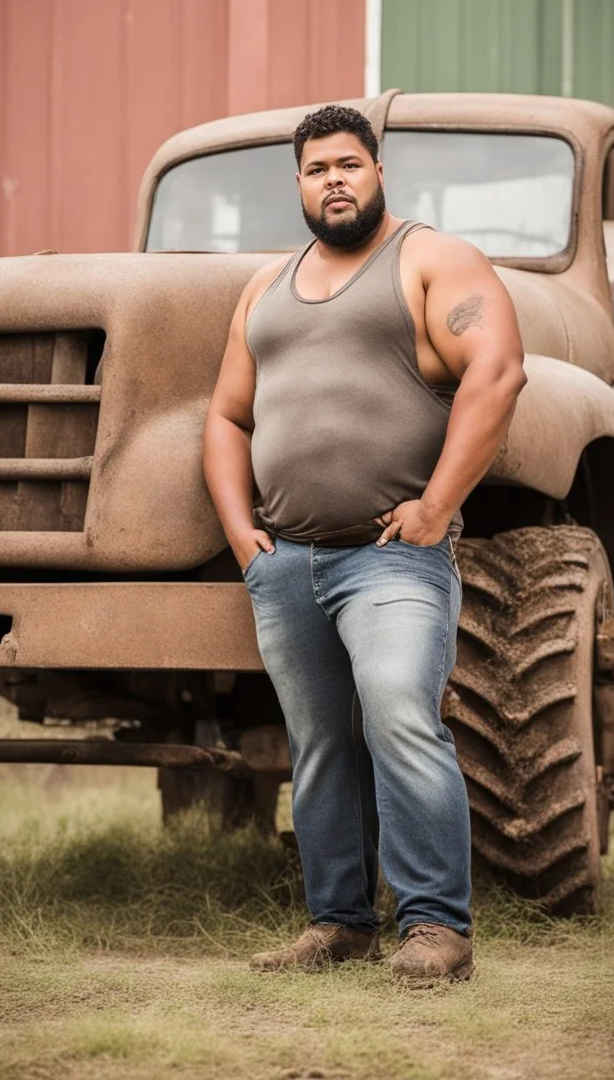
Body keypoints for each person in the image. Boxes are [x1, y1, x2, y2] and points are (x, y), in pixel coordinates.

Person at [203, 105, 526, 983]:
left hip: (391, 556)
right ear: (298, 183)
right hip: (287, 564)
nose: (334, 179)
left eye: (349, 164)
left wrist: (435, 508)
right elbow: (229, 416)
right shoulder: (264, 286)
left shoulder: (430, 259)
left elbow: (497, 371)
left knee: (397, 711)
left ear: (378, 171)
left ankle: (435, 929)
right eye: (316, 169)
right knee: (318, 744)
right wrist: (242, 535)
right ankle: (340, 923)